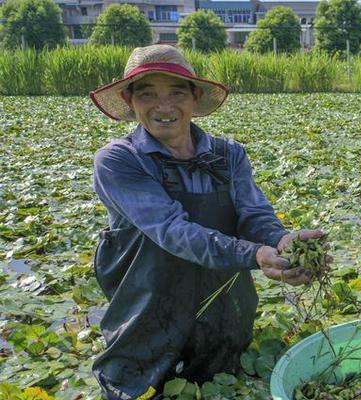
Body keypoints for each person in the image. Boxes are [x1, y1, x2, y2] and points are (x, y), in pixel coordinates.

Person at [89, 45, 323, 399]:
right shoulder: (119, 160)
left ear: (195, 98)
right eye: (148, 94)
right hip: (149, 315)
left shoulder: (229, 154)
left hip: (224, 313)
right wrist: (256, 255)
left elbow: (253, 215)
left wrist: (281, 240)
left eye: (177, 93)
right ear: (129, 99)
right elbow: (172, 230)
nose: (164, 107)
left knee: (224, 381)